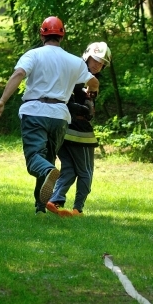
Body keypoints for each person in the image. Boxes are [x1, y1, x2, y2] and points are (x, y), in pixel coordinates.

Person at [0, 17, 99, 214]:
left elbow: (18, 75)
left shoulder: (33, 55)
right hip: (59, 116)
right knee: (48, 158)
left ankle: (48, 174)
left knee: (35, 159)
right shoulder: (75, 61)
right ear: (62, 36)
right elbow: (93, 82)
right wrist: (90, 95)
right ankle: (40, 208)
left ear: (42, 35)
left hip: (34, 112)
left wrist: (2, 101)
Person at [45, 42, 111, 217]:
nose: (97, 64)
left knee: (69, 169)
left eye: (101, 62)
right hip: (76, 130)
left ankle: (54, 201)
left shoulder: (91, 79)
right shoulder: (76, 72)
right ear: (87, 56)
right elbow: (59, 96)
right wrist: (75, 107)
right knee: (86, 171)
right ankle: (78, 209)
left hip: (61, 128)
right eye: (95, 59)